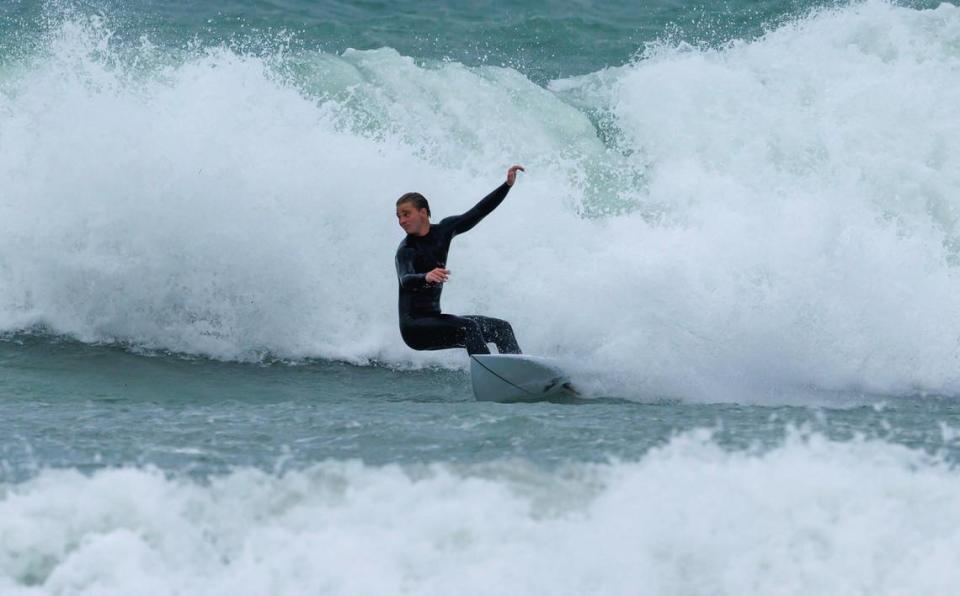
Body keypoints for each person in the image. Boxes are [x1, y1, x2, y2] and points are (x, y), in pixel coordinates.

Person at [394, 165, 525, 355]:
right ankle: (492, 376)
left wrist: (506, 186)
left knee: (501, 328)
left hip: (436, 321)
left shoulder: (444, 230)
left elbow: (478, 212)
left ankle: (517, 372)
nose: (401, 221)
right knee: (469, 327)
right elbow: (405, 279)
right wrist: (425, 277)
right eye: (398, 217)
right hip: (414, 329)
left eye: (406, 214)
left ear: (423, 212)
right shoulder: (406, 250)